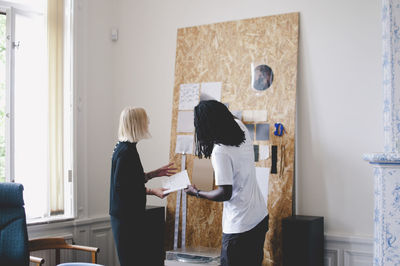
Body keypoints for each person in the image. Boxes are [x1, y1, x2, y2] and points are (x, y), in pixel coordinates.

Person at [185, 100, 268, 266]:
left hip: (239, 227)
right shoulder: (240, 127)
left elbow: (225, 193)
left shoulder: (220, 151)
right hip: (259, 218)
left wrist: (197, 193)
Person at [109, 106, 176, 266]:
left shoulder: (124, 147)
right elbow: (124, 188)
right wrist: (153, 191)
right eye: (146, 120)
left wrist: (154, 173)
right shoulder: (126, 152)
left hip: (126, 216)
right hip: (126, 218)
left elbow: (130, 180)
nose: (148, 123)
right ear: (137, 124)